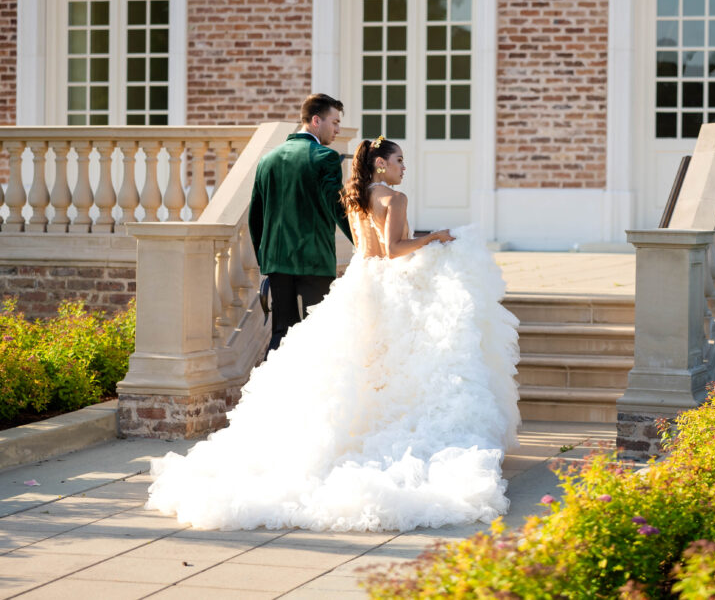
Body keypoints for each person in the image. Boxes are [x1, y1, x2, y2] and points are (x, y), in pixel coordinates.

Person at [145, 137, 521, 532]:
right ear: (380, 164)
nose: (403, 167)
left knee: (360, 362)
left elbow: (370, 247)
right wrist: (433, 238)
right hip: (388, 285)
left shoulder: (354, 195)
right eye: (399, 160)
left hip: (359, 281)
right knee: (392, 361)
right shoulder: (395, 198)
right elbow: (393, 250)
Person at [248, 93, 353, 354]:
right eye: (335, 122)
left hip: (277, 261)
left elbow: (255, 216)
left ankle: (270, 391)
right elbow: (337, 207)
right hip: (314, 260)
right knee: (316, 332)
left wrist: (265, 258)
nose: (338, 129)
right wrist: (361, 243)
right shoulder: (325, 157)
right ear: (316, 120)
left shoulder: (267, 160)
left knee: (281, 332)